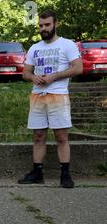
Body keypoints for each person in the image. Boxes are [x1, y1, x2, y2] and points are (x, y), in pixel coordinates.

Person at [18, 10, 82, 188]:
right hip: (37, 95)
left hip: (58, 94)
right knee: (38, 136)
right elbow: (25, 72)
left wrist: (55, 76)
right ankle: (37, 173)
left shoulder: (67, 45)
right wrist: (33, 78)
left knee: (61, 136)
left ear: (55, 24)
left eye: (47, 25)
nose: (43, 28)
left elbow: (78, 68)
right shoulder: (34, 48)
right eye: (40, 25)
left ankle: (65, 174)